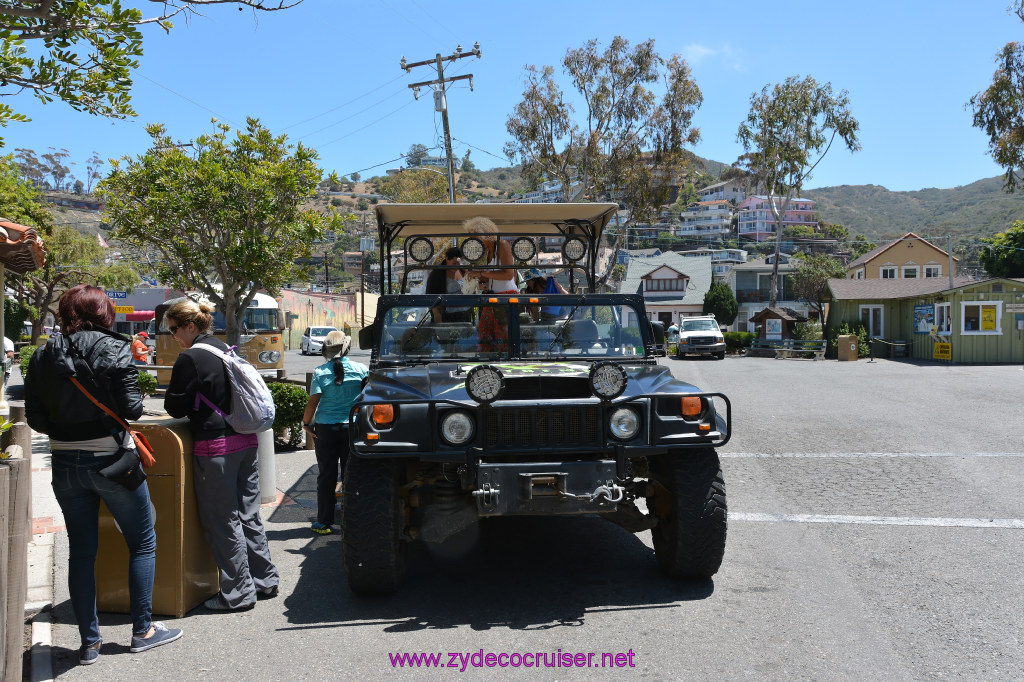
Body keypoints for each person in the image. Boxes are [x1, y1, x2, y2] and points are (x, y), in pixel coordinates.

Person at [24, 284, 182, 666]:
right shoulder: (115, 347)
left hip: (63, 464)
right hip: (112, 463)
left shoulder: (44, 353)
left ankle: (89, 643)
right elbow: (132, 407)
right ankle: (142, 630)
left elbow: (34, 417)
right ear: (104, 312)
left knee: (81, 553)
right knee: (142, 542)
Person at [162, 297, 280, 612]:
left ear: (190, 326)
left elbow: (174, 406)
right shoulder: (224, 349)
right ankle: (264, 580)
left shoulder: (191, 359)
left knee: (222, 519)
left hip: (215, 447)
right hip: (245, 441)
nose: (173, 336)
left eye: (174, 329)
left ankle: (239, 593)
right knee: (248, 514)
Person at [300, 330, 368, 535]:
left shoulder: (320, 372)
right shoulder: (361, 369)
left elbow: (313, 402)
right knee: (353, 475)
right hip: (352, 429)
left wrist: (306, 424)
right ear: (346, 348)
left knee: (326, 476)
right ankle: (355, 521)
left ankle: (324, 522)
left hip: (325, 431)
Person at [464, 216, 517, 351]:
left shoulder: (502, 244)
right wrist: (477, 276)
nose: (473, 241)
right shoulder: (488, 252)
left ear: (485, 234)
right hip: (493, 298)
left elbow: (508, 274)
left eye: (474, 237)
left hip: (507, 297)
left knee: (502, 337)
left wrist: (481, 274)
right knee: (485, 335)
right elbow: (494, 276)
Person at [424, 247, 471, 323]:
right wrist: (437, 317)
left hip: (466, 314)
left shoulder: (463, 270)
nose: (457, 266)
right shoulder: (437, 274)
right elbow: (431, 295)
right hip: (447, 317)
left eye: (459, 263)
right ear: (447, 259)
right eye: (454, 263)